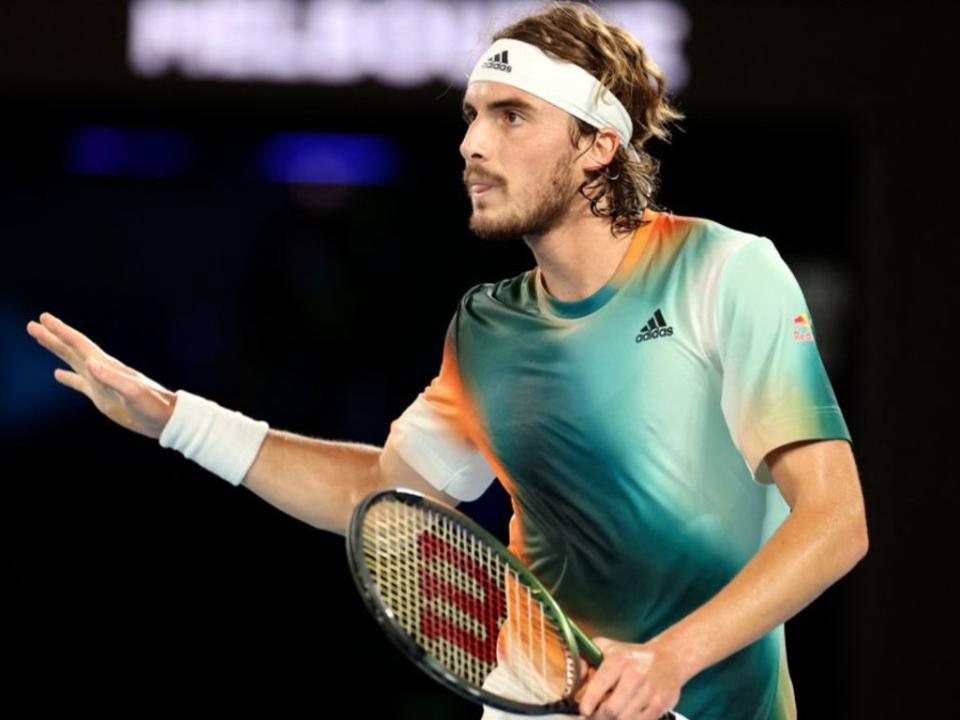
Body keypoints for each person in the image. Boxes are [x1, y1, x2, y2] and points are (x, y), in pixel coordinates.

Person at [26, 2, 867, 719]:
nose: (471, 144)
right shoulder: (486, 327)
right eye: (471, 114)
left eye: (511, 116)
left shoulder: (723, 271)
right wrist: (176, 418)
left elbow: (835, 522)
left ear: (597, 146)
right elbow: (384, 498)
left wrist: (671, 659)